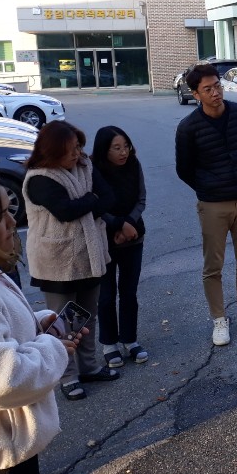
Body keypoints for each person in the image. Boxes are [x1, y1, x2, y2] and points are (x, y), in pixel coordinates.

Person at [0, 179, 83, 474]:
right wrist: (51, 346)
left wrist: (36, 325)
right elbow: (5, 377)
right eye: (0, 215)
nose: (10, 223)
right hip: (4, 456)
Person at [175, 63, 237, 346]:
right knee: (213, 266)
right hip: (213, 205)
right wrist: (209, 187)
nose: (215, 93)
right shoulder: (188, 128)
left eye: (217, 86)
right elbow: (184, 169)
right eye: (207, 89)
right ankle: (219, 319)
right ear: (196, 94)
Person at [22, 121, 118, 401]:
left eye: (77, 147)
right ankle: (66, 376)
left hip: (90, 255)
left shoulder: (85, 166)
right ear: (52, 152)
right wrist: (91, 200)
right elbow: (65, 211)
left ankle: (88, 367)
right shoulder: (39, 178)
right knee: (62, 322)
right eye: (69, 150)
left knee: (87, 315)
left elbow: (108, 198)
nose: (76, 154)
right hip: (57, 261)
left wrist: (87, 203)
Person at [92, 126, 149, 368]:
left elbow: (141, 199)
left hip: (133, 236)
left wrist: (128, 224)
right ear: (104, 150)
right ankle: (109, 343)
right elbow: (94, 206)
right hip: (104, 240)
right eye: (116, 148)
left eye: (126, 146)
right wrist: (117, 225)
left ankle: (129, 340)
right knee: (106, 296)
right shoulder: (92, 170)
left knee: (129, 292)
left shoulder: (133, 165)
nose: (123, 152)